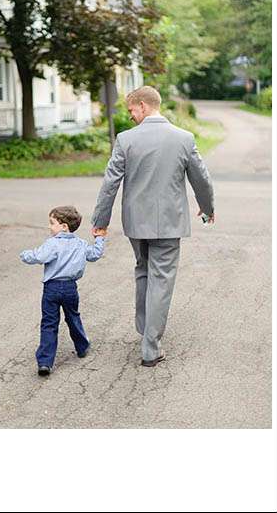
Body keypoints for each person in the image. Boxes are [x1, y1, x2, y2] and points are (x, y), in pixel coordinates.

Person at [91, 85, 214, 367]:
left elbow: (110, 183)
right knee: (161, 277)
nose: (131, 116)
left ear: (144, 106)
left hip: (136, 223)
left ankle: (144, 330)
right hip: (170, 223)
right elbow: (202, 179)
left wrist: (101, 221)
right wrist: (207, 209)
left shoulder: (125, 140)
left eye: (132, 110)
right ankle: (151, 346)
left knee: (143, 270)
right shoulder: (184, 138)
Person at [20, 205, 105, 377]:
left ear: (64, 226)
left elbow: (40, 257)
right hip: (70, 288)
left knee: (49, 323)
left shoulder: (52, 243)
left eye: (52, 223)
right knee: (73, 317)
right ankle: (82, 347)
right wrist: (99, 238)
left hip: (51, 289)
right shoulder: (81, 244)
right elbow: (95, 254)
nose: (49, 227)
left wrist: (25, 254)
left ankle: (45, 362)